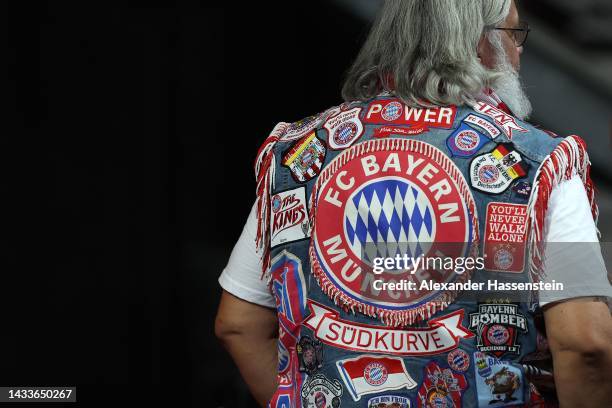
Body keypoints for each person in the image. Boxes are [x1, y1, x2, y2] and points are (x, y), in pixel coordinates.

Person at [215, 0, 612, 406]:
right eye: (513, 33)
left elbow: (239, 324)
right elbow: (586, 346)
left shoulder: (299, 154)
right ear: (480, 44)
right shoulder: (538, 163)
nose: (519, 49)